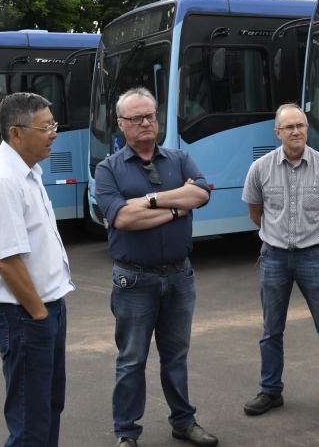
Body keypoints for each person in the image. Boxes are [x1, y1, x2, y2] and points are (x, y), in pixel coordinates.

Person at [94, 87, 217, 447]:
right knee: (131, 360)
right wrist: (179, 204)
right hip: (134, 280)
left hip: (180, 275)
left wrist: (150, 200)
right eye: (136, 118)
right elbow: (122, 219)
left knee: (176, 357)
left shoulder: (179, 158)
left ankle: (184, 421)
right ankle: (127, 433)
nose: (146, 122)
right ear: (121, 125)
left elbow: (202, 194)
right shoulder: (108, 168)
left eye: (150, 116)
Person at [0, 93, 75, 447]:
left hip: (45, 308)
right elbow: (7, 261)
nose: (54, 133)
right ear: (16, 133)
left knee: (48, 406)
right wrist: (40, 315)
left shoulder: (27, 172)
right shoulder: (2, 181)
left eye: (54, 125)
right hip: (24, 314)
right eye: (46, 127)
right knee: (30, 419)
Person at [241, 103, 319, 426]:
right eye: (289, 127)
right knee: (271, 331)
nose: (296, 132)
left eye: (300, 125)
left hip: (314, 257)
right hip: (273, 256)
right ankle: (271, 391)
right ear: (277, 133)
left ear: (307, 129)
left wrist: (313, 238)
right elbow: (255, 213)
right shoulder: (260, 169)